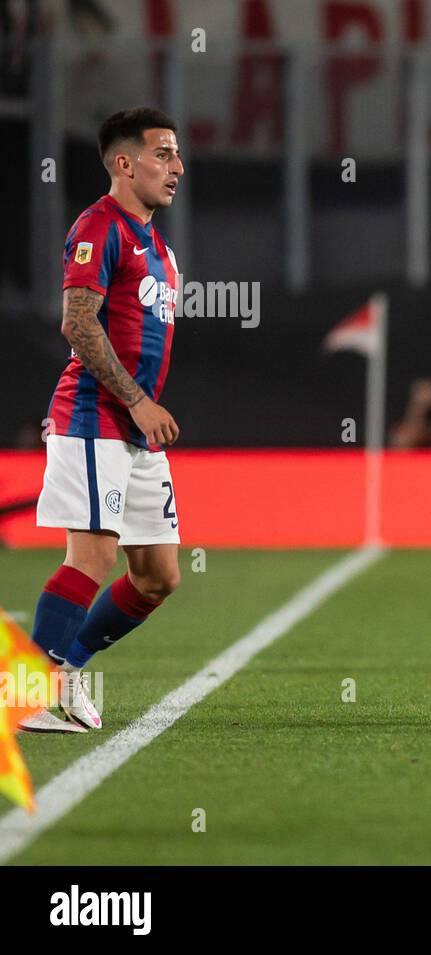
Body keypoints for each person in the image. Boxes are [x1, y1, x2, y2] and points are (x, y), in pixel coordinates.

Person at [21, 107, 185, 734]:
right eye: (163, 154)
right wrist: (137, 400)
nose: (176, 167)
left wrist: (143, 410)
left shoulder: (159, 246)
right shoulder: (99, 226)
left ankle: (68, 666)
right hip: (94, 416)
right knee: (92, 557)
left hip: (134, 432)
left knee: (157, 576)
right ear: (124, 163)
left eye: (176, 154)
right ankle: (24, 690)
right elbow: (78, 323)